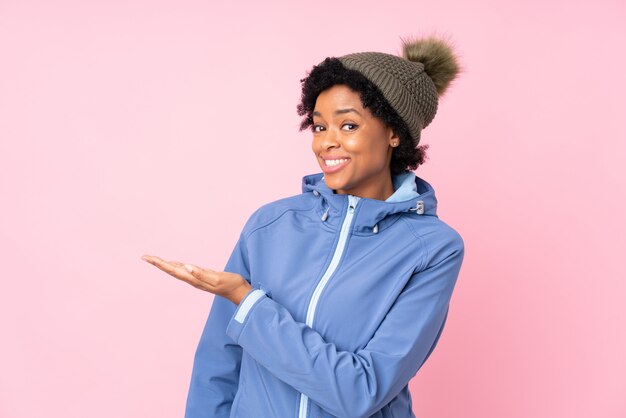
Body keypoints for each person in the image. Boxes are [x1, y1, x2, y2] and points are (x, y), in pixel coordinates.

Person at [142, 33, 465, 418]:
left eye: (348, 126)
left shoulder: (432, 249)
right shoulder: (270, 225)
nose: (326, 142)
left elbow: (359, 392)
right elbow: (217, 367)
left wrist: (250, 305)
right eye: (318, 126)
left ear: (394, 132)